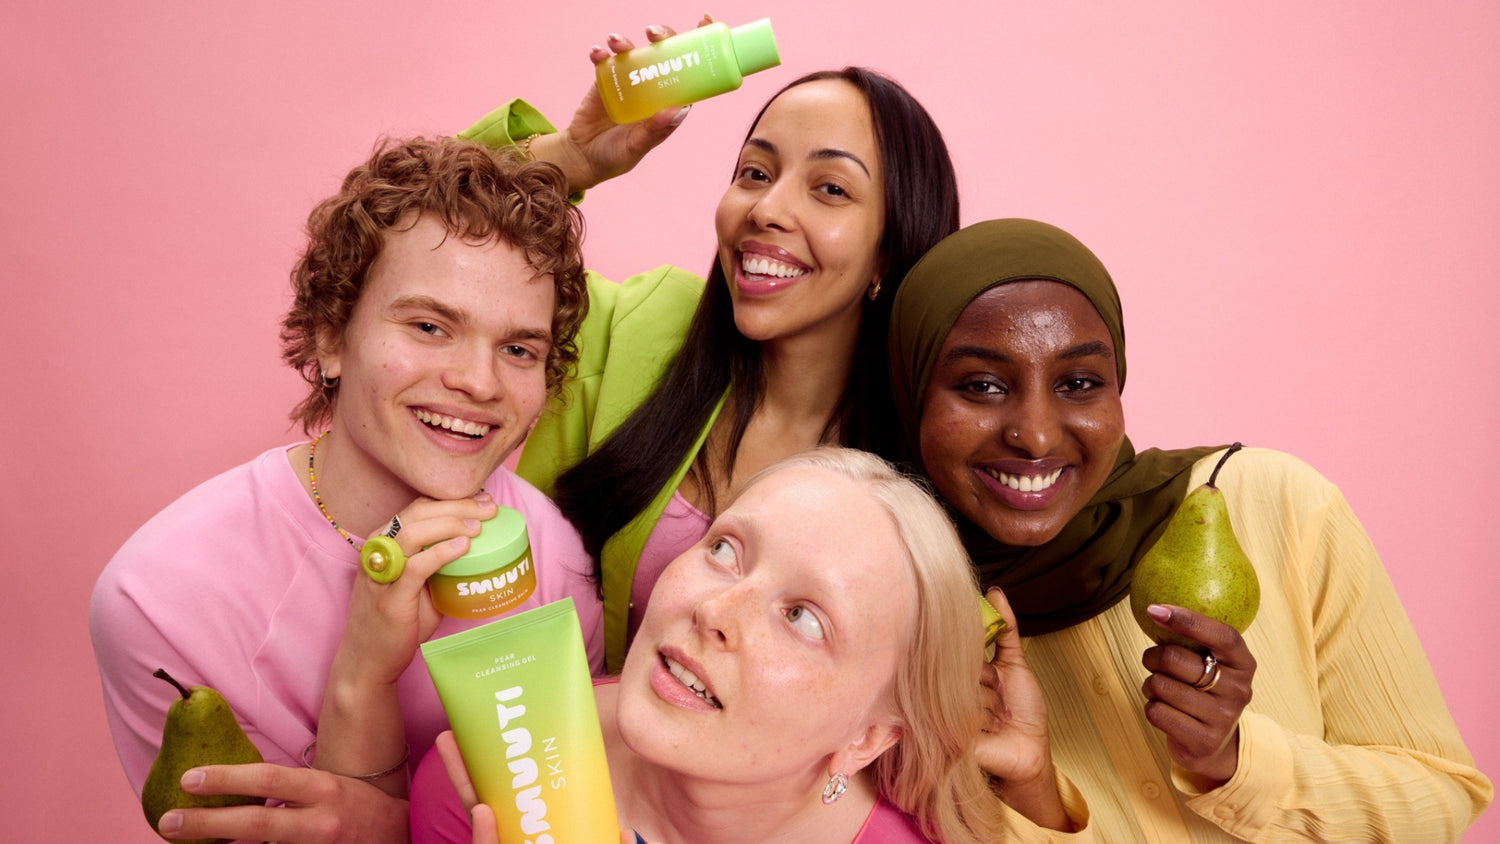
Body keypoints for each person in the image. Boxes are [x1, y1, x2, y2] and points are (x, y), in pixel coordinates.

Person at [887, 217, 1494, 841]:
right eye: (982, 386)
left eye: (1078, 383)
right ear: (910, 394)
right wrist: (1035, 792)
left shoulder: (1275, 505)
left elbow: (1443, 802)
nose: (1036, 434)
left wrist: (1234, 761)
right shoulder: (909, 635)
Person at [89, 136, 604, 843]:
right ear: (331, 335)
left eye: (519, 349)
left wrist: (393, 826)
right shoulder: (161, 600)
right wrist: (362, 673)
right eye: (430, 326)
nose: (480, 383)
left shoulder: (554, 561)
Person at [461, 20, 961, 672]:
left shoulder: (918, 472)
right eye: (755, 172)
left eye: (830, 188)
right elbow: (415, 240)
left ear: (889, 254)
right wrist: (573, 155)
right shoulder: (632, 327)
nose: (767, 209)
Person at [410, 447, 1092, 844]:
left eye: (803, 616)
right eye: (726, 550)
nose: (715, 609)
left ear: (867, 740)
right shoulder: (486, 786)